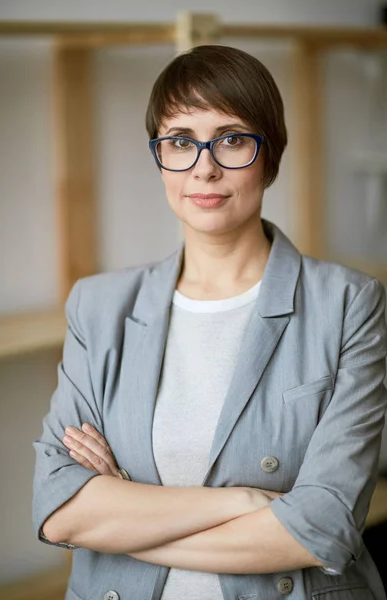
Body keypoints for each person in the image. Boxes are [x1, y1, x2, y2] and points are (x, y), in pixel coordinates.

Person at [32, 45, 387, 600]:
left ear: (271, 154)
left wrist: (123, 516)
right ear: (159, 156)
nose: (205, 166)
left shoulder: (347, 304)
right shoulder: (98, 306)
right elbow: (58, 511)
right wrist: (243, 502)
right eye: (180, 141)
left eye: (233, 138)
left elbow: (322, 527)